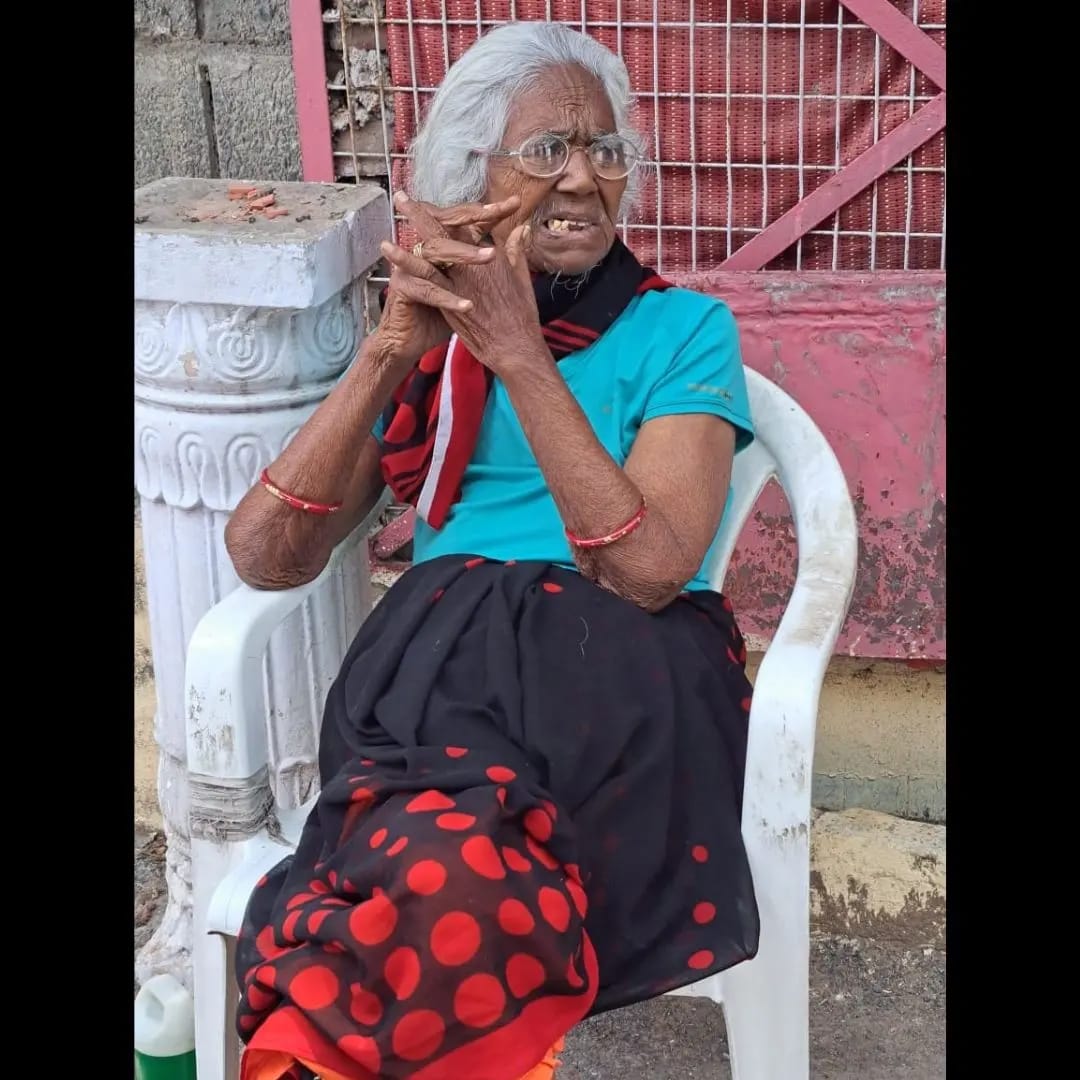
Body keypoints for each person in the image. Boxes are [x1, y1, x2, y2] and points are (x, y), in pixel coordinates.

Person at [225, 20, 759, 1080]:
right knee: (443, 857)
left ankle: (309, 1049)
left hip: (615, 669)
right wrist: (390, 353)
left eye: (606, 152)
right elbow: (267, 555)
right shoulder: (438, 347)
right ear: (472, 181)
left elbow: (651, 568)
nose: (584, 177)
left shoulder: (684, 331)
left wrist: (515, 350)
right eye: (548, 148)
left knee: (436, 867)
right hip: (439, 673)